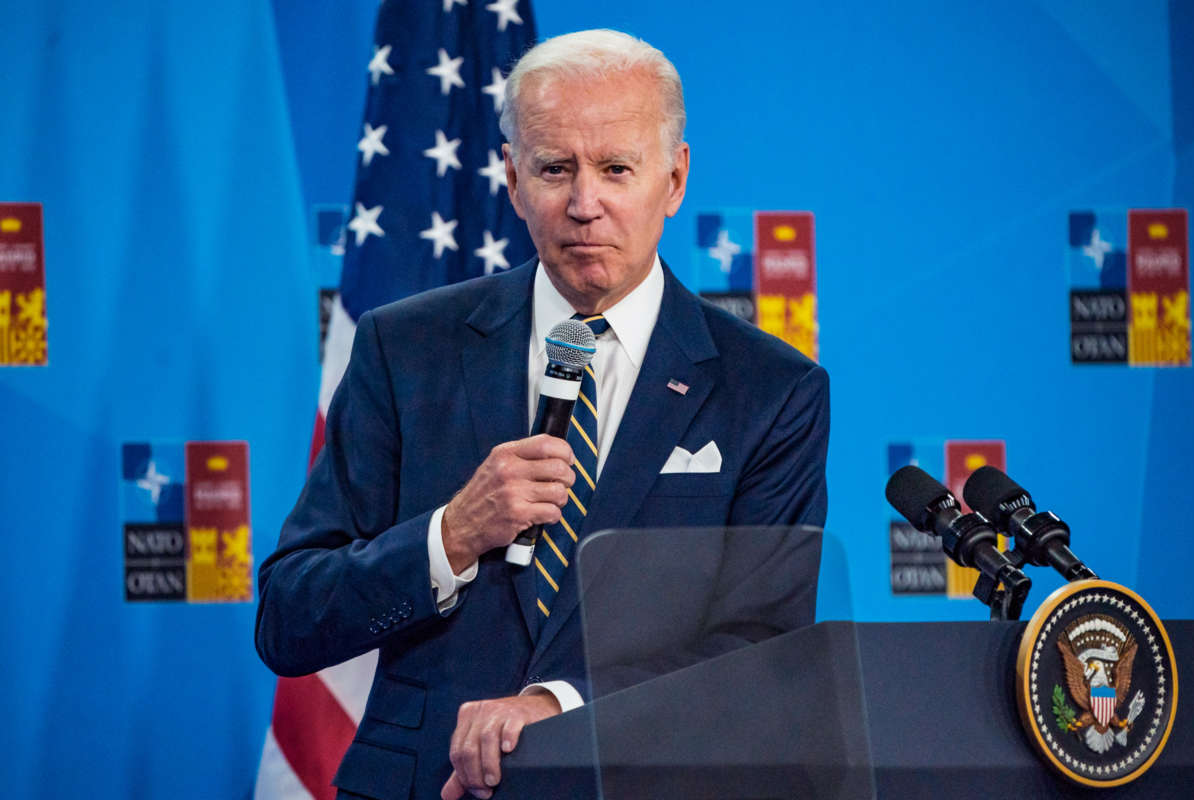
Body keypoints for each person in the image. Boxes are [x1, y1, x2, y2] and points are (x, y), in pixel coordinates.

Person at [255, 29, 830, 800]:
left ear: (674, 178)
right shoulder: (406, 347)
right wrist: (451, 535)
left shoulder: (770, 390)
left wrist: (561, 707)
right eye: (556, 168)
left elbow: (764, 649)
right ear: (512, 177)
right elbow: (289, 616)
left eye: (616, 169)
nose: (585, 205)